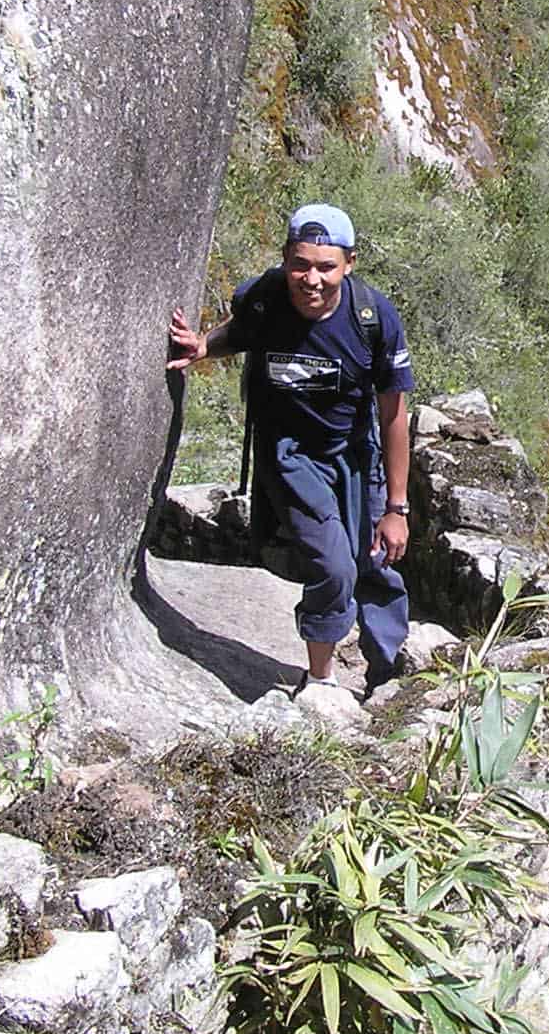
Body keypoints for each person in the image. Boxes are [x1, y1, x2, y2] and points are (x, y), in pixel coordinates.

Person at [168, 204, 414, 691]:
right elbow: (243, 330)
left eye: (327, 266)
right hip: (291, 455)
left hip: (354, 453)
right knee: (334, 566)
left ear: (350, 263)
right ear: (285, 259)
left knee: (377, 562)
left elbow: (393, 413)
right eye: (301, 264)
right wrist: (204, 347)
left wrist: (396, 508)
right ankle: (321, 684)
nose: (312, 279)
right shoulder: (267, 297)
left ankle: (386, 675)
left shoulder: (373, 318)